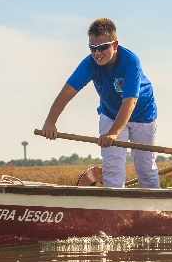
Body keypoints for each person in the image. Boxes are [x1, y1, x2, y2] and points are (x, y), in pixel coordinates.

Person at [39, 18, 160, 189]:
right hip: (110, 113)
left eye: (103, 47)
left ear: (115, 44)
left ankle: (154, 211)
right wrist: (50, 122)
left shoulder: (130, 61)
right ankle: (113, 210)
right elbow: (67, 92)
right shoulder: (89, 64)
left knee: (145, 169)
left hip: (142, 114)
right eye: (92, 48)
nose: (97, 53)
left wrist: (113, 133)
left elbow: (130, 102)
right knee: (112, 169)